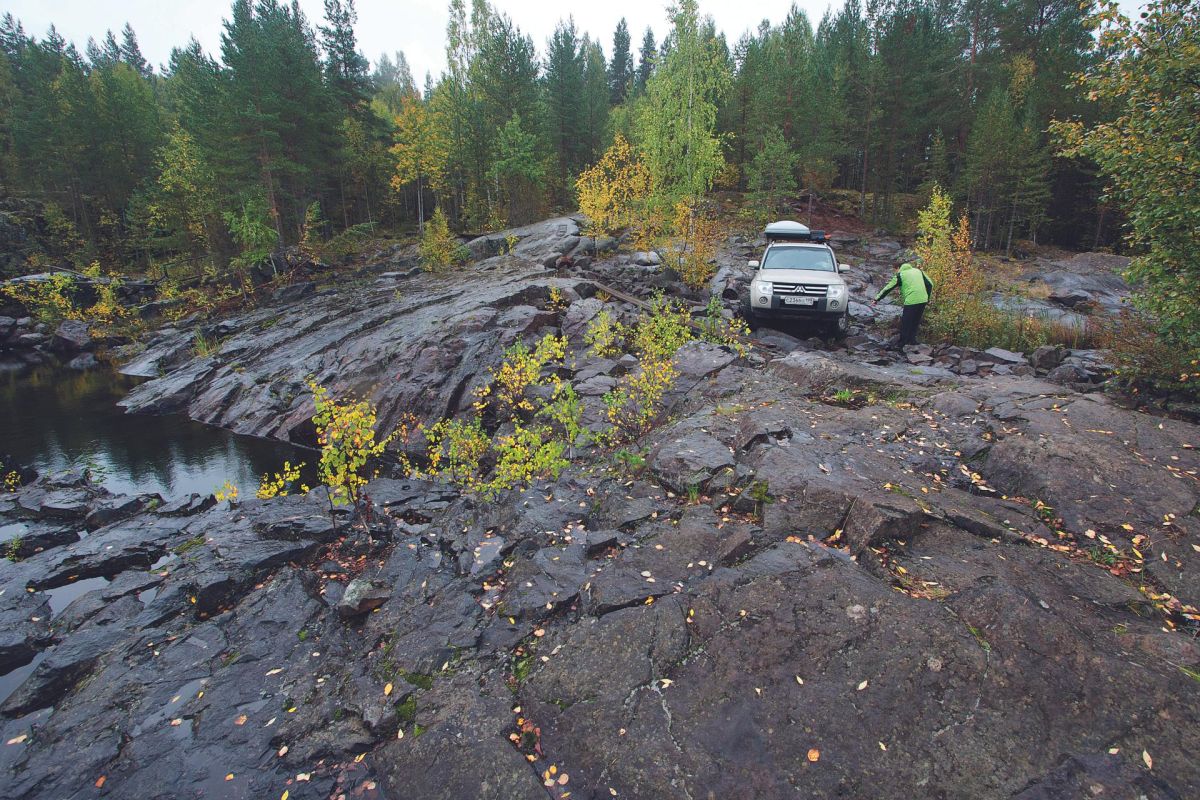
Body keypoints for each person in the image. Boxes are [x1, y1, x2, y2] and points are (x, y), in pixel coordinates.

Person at [872, 259, 933, 348]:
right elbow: (930, 284)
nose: (895, 272)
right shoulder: (918, 271)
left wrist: (876, 299)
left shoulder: (900, 275)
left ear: (898, 268)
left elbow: (888, 287)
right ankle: (912, 341)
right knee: (915, 320)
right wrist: (927, 297)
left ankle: (902, 343)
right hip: (923, 299)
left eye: (895, 270)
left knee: (906, 321)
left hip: (911, 300)